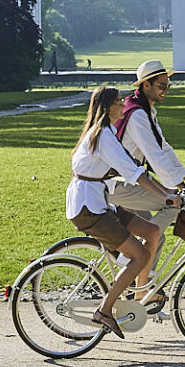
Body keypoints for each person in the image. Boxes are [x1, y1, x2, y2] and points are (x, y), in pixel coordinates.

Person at [68, 85, 167, 336]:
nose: (124, 102)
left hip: (100, 203)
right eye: (119, 100)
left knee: (153, 231)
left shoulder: (107, 132)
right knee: (141, 256)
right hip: (89, 208)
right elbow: (132, 172)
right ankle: (104, 310)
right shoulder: (102, 135)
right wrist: (166, 196)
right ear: (108, 106)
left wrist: (169, 191)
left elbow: (133, 167)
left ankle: (141, 292)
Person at [109, 59, 185, 304]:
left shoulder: (146, 112)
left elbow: (165, 149)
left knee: (156, 235)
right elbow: (154, 156)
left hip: (130, 182)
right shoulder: (136, 115)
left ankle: (140, 287)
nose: (165, 90)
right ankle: (130, 262)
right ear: (145, 85)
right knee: (170, 204)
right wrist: (179, 189)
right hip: (117, 184)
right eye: (161, 85)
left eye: (167, 86)